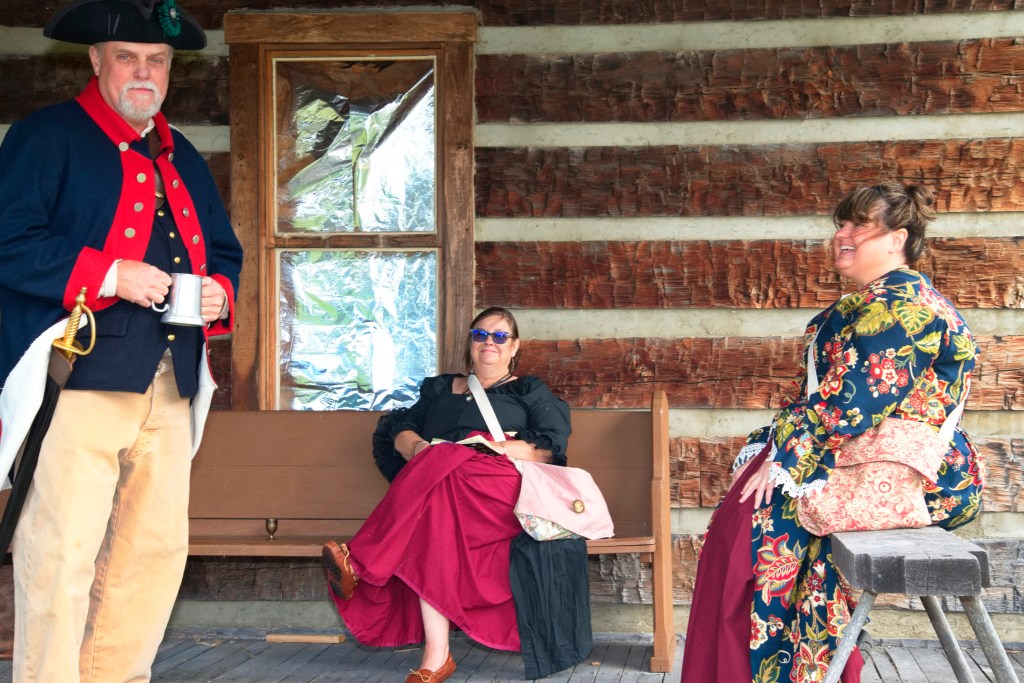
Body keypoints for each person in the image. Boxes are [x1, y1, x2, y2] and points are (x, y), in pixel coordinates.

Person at [0, 1, 243, 680]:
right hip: (76, 376)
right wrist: (107, 273)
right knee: (61, 554)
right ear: (96, 62)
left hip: (169, 380)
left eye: (158, 60)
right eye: (128, 57)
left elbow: (223, 250)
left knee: (151, 555)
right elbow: (7, 241)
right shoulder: (45, 136)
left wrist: (220, 288)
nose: (145, 71)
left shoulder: (182, 153)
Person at [680, 182, 984, 683]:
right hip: (851, 464)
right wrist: (774, 447)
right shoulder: (878, 301)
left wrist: (783, 457)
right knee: (745, 532)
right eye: (839, 224)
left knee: (749, 547)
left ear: (897, 239)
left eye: (858, 225)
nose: (841, 235)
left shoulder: (905, 307)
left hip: (895, 475)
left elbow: (853, 403)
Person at [321, 307, 574, 683]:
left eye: (500, 336)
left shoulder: (527, 390)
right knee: (435, 517)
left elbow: (550, 445)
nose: (489, 341)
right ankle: (435, 657)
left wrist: (489, 448)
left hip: (498, 488)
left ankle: (360, 562)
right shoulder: (440, 388)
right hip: (440, 485)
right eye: (480, 334)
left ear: (514, 346)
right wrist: (420, 448)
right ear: (470, 344)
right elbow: (399, 428)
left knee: (444, 468)